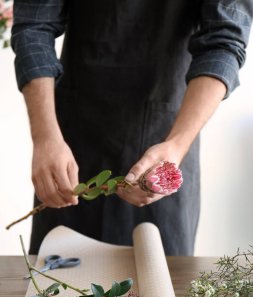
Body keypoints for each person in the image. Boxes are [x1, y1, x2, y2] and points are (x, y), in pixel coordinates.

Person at [11, 0, 253, 256]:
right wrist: (45, 136)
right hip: (69, 141)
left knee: (162, 286)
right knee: (56, 288)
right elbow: (34, 26)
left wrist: (177, 145)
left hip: (168, 142)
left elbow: (225, 41)